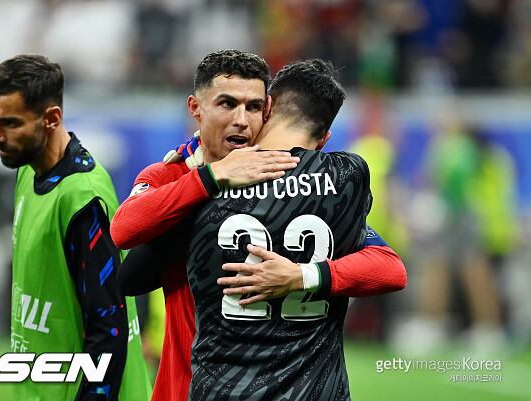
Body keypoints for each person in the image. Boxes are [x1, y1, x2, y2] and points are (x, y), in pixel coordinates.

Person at [111, 50, 406, 401]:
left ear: (267, 112)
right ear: (196, 108)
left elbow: (387, 266)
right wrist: (210, 177)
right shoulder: (175, 175)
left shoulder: (297, 187)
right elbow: (125, 236)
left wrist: (302, 275)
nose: (241, 120)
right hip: (187, 383)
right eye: (227, 104)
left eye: (253, 107)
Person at [185, 58, 385, 400]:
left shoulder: (209, 180)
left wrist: (199, 172)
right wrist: (306, 275)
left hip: (223, 388)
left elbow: (131, 268)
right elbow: (389, 267)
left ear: (267, 108)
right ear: (325, 138)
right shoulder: (348, 176)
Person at [0, 55, 151, 401]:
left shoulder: (82, 198)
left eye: (10, 123)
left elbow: (108, 329)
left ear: (52, 118)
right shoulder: (28, 170)